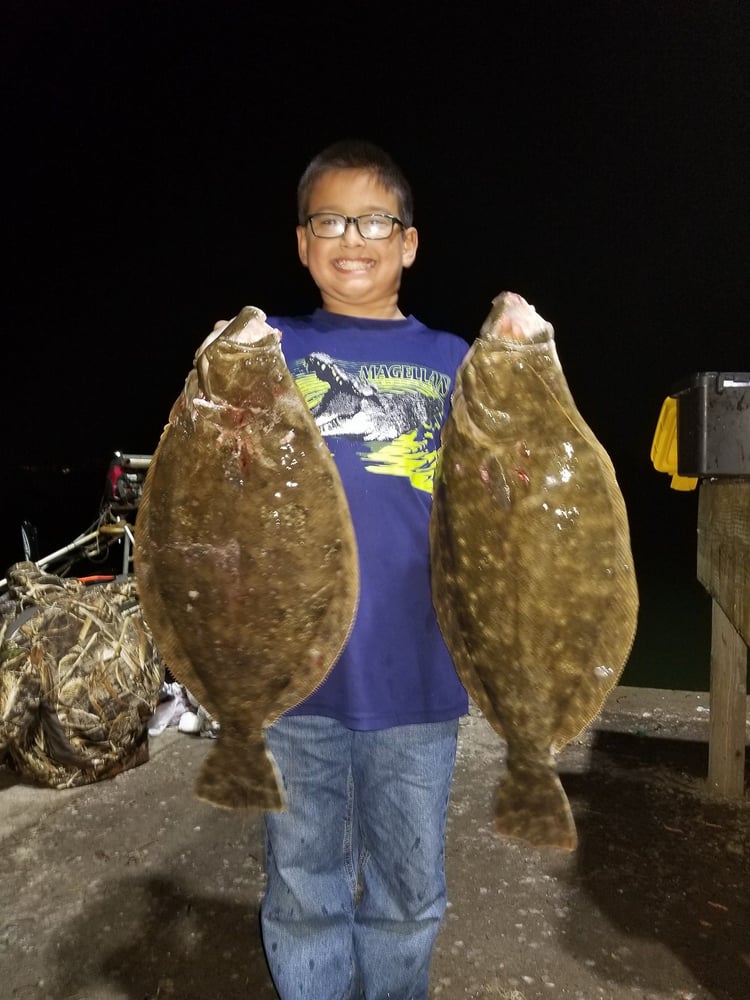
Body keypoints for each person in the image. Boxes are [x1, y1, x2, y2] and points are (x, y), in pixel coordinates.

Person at [257, 139, 469, 1000]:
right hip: (285, 678)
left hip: (419, 674)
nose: (354, 236)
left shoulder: (458, 361)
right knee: (301, 881)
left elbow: (500, 511)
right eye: (331, 220)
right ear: (303, 243)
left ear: (407, 242)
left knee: (409, 891)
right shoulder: (263, 348)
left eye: (375, 219)